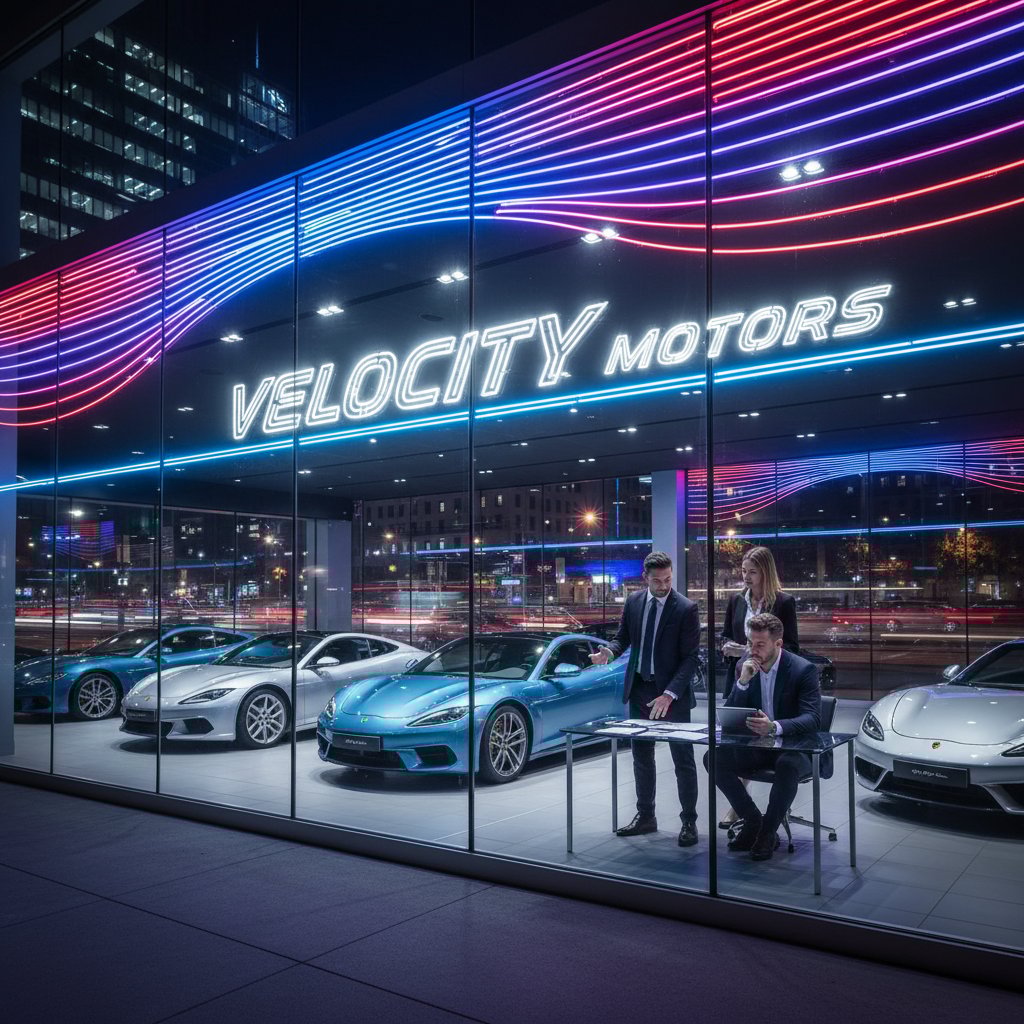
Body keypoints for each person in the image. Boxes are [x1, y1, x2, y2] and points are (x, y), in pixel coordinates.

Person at [590, 551, 701, 847]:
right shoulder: (634, 601)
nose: (664, 585)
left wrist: (669, 694)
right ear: (645, 577)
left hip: (672, 696)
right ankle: (646, 817)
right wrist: (609, 652)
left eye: (668, 579)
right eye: (658, 580)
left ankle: (689, 821)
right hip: (640, 689)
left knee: (683, 760)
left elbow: (690, 659)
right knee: (641, 757)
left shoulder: (686, 608)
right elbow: (622, 638)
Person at [706, 612, 821, 862]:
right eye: (750, 643)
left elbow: (813, 718)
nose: (752, 650)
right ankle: (752, 819)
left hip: (794, 748)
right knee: (713, 757)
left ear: (778, 644)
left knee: (787, 765)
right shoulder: (744, 666)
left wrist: (775, 727)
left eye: (760, 645)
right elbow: (731, 714)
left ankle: (767, 832)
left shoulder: (803, 670)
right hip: (759, 747)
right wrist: (744, 682)